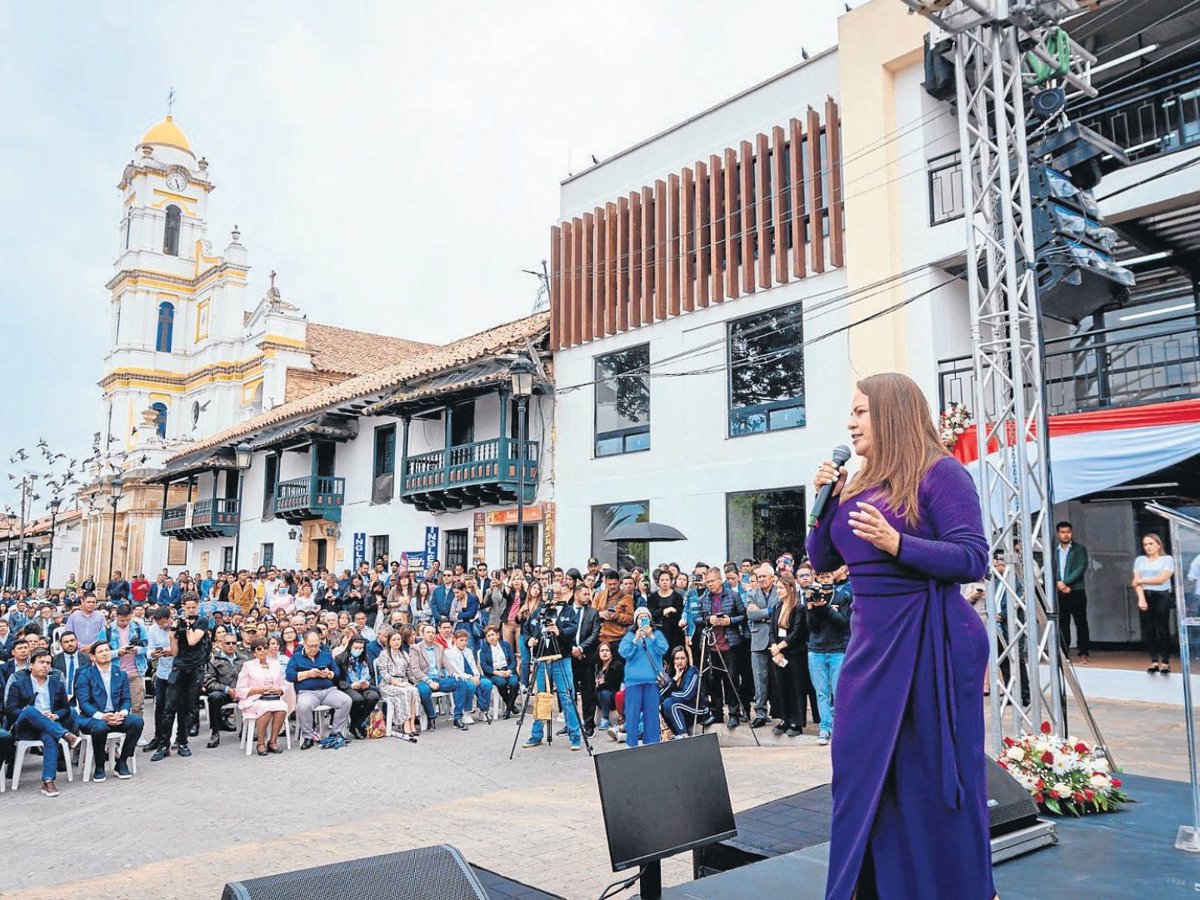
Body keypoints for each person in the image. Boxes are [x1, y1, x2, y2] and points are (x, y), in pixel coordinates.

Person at [808, 372, 993, 900]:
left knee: (927, 780)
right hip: (872, 644)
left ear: (890, 413)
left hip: (932, 637)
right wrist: (824, 500)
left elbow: (972, 558)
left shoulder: (942, 473)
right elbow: (822, 559)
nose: (851, 421)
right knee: (859, 767)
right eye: (852, 412)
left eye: (861, 411)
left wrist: (899, 543)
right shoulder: (858, 482)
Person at [5, 649, 84, 797]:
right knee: (29, 711)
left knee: (50, 737)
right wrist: (36, 714)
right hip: (26, 727)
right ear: (31, 664)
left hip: (49, 726)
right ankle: (66, 735)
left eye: (48, 663)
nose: (45, 666)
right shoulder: (19, 684)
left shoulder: (56, 684)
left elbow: (65, 710)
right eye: (41, 662)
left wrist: (55, 715)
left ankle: (48, 780)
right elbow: (10, 710)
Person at [521, 589, 585, 751]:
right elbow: (526, 629)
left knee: (567, 696)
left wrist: (559, 631)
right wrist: (530, 640)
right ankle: (536, 735)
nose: (554, 597)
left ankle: (575, 736)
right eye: (551, 594)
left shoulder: (568, 610)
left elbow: (573, 630)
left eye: (558, 593)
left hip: (561, 659)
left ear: (564, 594)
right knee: (541, 697)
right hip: (542, 659)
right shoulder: (539, 611)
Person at [74, 640, 144, 781]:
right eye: (100, 651)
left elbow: (126, 699)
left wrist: (122, 713)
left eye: (107, 650)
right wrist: (102, 716)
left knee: (137, 722)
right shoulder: (85, 675)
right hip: (93, 717)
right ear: (93, 657)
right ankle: (99, 766)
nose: (105, 654)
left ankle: (122, 762)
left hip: (116, 715)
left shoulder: (121, 674)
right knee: (99, 728)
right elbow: (84, 703)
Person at [154, 594, 210, 761]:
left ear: (197, 606)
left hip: (195, 668)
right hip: (179, 667)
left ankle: (183, 741)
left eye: (193, 606)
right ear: (183, 606)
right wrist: (172, 635)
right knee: (169, 707)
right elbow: (176, 651)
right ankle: (164, 745)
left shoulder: (202, 621)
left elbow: (193, 641)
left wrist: (185, 627)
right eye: (188, 607)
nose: (191, 609)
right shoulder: (179, 623)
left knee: (188, 708)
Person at [801, 564, 851, 746]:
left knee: (839, 691)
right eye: (821, 577)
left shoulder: (843, 596)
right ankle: (825, 727)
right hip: (816, 651)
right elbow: (812, 626)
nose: (824, 580)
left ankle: (840, 728)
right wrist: (812, 606)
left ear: (833, 577)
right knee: (821, 692)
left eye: (827, 577)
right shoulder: (812, 596)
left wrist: (826, 608)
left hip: (838, 650)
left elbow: (844, 622)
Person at [697, 565, 751, 728]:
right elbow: (697, 620)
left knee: (732, 680)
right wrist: (709, 620)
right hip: (711, 644)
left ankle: (734, 713)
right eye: (707, 582)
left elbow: (744, 616)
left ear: (720, 580)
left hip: (730, 644)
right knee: (713, 681)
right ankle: (717, 713)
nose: (710, 584)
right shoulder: (703, 599)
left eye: (712, 581)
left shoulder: (733, 596)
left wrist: (730, 621)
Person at [287, 628, 353, 748]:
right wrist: (307, 674)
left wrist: (329, 674)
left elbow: (337, 672)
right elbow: (289, 675)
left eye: (316, 645)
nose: (314, 649)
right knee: (304, 705)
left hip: (328, 691)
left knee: (346, 700)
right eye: (311, 646)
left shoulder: (326, 655)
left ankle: (336, 732)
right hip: (307, 692)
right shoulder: (296, 657)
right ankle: (308, 736)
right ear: (304, 644)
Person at [766, 572, 810, 737]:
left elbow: (798, 632)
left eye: (780, 588)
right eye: (777, 587)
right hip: (778, 654)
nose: (777, 591)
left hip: (794, 654)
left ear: (790, 589)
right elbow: (772, 631)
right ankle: (784, 719)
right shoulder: (777, 607)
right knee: (780, 687)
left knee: (796, 688)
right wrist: (774, 648)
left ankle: (796, 722)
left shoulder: (799, 608)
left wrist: (780, 648)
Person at [617, 606, 668, 748]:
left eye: (645, 617)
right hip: (633, 681)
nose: (642, 620)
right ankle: (631, 743)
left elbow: (663, 649)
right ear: (636, 621)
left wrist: (651, 636)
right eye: (640, 617)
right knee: (632, 714)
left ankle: (651, 743)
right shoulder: (629, 636)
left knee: (651, 713)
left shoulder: (657, 635)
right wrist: (636, 639)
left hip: (652, 680)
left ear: (650, 620)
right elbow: (624, 652)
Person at [408, 622, 473, 730]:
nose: (430, 635)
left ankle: (457, 718)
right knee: (424, 691)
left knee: (461, 683)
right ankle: (431, 718)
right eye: (428, 632)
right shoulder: (415, 648)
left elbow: (446, 662)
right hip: (423, 680)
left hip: (438, 678)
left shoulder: (439, 647)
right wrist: (429, 681)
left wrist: (454, 673)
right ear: (423, 634)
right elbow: (415, 669)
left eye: (433, 633)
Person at [236, 638, 289, 754]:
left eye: (265, 647)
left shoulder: (275, 665)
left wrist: (279, 690)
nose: (263, 651)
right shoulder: (247, 666)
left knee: (282, 707)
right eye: (259, 649)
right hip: (254, 698)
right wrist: (258, 690)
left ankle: (273, 741)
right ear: (254, 652)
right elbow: (239, 690)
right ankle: (260, 743)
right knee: (265, 708)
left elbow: (283, 684)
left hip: (273, 696)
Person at [1133, 533, 1175, 674]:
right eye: (1145, 544)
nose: (1148, 547)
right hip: (1146, 594)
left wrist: (1142, 581)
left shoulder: (1167, 559)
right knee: (1148, 629)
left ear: (1158, 544)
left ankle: (1166, 661)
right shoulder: (1139, 560)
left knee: (1163, 628)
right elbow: (1135, 581)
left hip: (1162, 595)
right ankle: (1154, 660)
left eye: (1151, 544)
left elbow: (1162, 579)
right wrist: (1141, 598)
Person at [745, 563, 780, 729]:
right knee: (759, 679)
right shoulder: (752, 593)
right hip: (758, 641)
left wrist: (762, 612)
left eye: (764, 576)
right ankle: (760, 713)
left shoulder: (779, 591)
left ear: (772, 578)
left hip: (778, 641)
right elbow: (750, 614)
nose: (761, 579)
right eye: (759, 577)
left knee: (779, 678)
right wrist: (769, 612)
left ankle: (781, 712)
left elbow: (780, 610)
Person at [1053, 520, 1090, 664]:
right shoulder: (1054, 551)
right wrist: (1058, 583)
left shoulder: (1079, 549)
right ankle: (1065, 653)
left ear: (1071, 532)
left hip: (1076, 591)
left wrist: (1065, 583)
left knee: (1081, 622)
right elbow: (1050, 569)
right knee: (1063, 623)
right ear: (1058, 534)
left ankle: (1084, 652)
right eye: (1062, 532)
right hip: (1060, 591)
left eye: (1068, 532)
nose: (1066, 535)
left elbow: (1081, 568)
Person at [203, 632, 249, 748]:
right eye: (228, 643)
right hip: (224, 692)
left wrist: (241, 690)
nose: (231, 645)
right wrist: (227, 689)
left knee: (253, 696)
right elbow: (209, 682)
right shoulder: (214, 660)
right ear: (222, 644)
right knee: (214, 697)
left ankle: (246, 729)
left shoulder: (243, 659)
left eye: (234, 643)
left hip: (241, 691)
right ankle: (215, 733)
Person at [375, 627, 420, 742]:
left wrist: (414, 682)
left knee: (414, 690)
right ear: (389, 641)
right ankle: (405, 723)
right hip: (388, 684)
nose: (396, 642)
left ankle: (412, 722)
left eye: (398, 640)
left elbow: (409, 672)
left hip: (403, 681)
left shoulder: (404, 654)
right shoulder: (384, 654)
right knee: (404, 691)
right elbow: (384, 673)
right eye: (394, 640)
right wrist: (398, 684)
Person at [334, 634, 380, 739]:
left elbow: (372, 676)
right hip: (348, 687)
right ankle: (357, 725)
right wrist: (351, 685)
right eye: (355, 648)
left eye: (360, 648)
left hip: (364, 686)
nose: (358, 650)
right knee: (357, 699)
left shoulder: (366, 658)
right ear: (350, 646)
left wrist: (368, 683)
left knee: (373, 696)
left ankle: (356, 724)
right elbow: (337, 679)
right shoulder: (340, 658)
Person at [143, 606, 175, 754]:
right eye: (160, 624)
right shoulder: (153, 630)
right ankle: (158, 736)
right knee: (159, 705)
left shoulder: (179, 626)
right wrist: (154, 654)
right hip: (162, 671)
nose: (163, 626)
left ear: (170, 617)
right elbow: (148, 651)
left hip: (177, 672)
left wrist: (172, 651)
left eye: (165, 623)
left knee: (174, 707)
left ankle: (177, 739)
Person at [443, 629, 492, 724]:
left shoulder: (468, 651)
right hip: (459, 676)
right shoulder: (449, 653)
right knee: (471, 685)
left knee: (487, 683)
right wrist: (471, 678)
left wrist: (477, 675)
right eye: (461, 640)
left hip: (472, 675)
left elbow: (473, 665)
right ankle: (466, 712)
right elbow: (457, 670)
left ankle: (483, 710)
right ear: (455, 640)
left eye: (466, 640)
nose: (464, 643)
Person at [660, 645, 705, 739]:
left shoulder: (692, 671)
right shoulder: (672, 674)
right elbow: (660, 696)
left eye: (682, 658)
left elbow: (686, 695)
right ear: (673, 661)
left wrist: (669, 695)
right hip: (681, 709)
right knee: (662, 703)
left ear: (687, 660)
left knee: (669, 703)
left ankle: (683, 735)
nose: (680, 661)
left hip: (697, 708)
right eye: (677, 658)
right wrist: (675, 678)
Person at [479, 625, 519, 718]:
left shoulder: (506, 645)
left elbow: (513, 660)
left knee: (514, 682)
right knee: (501, 683)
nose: (491, 637)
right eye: (488, 636)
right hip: (494, 673)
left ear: (497, 635)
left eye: (492, 634)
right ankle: (511, 706)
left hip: (507, 670)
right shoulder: (484, 648)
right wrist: (495, 672)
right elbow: (484, 665)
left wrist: (509, 670)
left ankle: (508, 709)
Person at [51, 631, 90, 702]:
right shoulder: (54, 660)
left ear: (77, 641)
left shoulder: (87, 658)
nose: (70, 644)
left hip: (83, 697)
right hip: (61, 698)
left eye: (72, 641)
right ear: (61, 644)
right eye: (66, 642)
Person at [594, 641, 624, 730]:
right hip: (599, 695)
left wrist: (599, 684)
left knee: (604, 692)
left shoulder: (616, 665)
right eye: (602, 650)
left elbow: (612, 684)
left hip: (613, 696)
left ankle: (605, 718)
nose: (604, 653)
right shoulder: (597, 666)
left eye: (607, 650)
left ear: (611, 653)